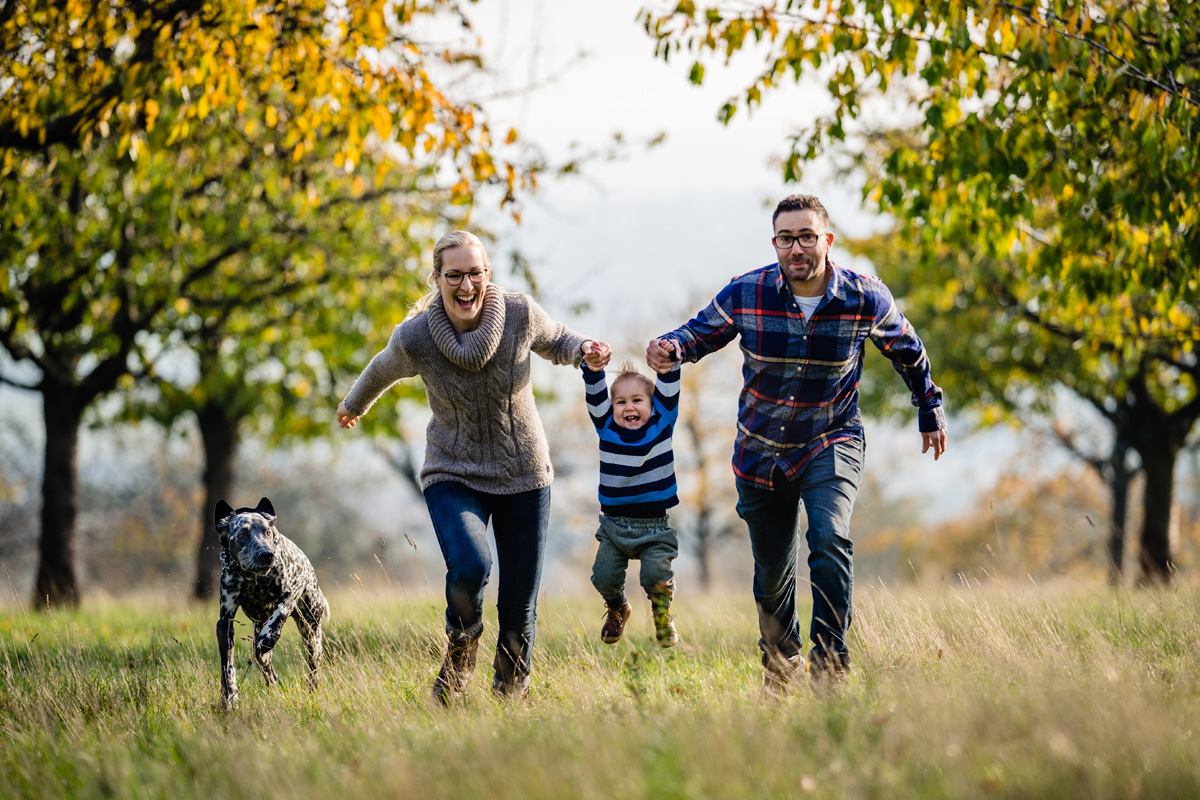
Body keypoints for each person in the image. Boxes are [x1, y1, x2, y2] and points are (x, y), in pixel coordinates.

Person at [645, 194, 947, 695]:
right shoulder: (748, 292)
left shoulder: (864, 297)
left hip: (832, 438)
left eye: (807, 237)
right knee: (772, 576)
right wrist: (669, 347)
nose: (796, 248)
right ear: (775, 244)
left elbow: (908, 351)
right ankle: (781, 669)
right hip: (759, 450)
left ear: (827, 241)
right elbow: (697, 333)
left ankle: (830, 668)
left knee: (829, 539)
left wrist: (928, 407)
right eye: (786, 238)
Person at [337, 230, 611, 703]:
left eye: (476, 274)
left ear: (488, 275)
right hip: (453, 471)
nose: (466, 286)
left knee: (519, 601)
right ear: (438, 278)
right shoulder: (417, 336)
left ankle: (510, 693)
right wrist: (354, 404)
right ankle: (462, 648)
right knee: (470, 564)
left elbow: (558, 339)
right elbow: (383, 366)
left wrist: (584, 349)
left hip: (524, 474)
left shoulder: (519, 313)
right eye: (455, 275)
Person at [581, 346, 682, 648]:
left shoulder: (661, 425)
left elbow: (669, 391)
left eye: (638, 400)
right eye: (620, 402)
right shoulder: (606, 428)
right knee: (603, 576)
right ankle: (617, 607)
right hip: (614, 527)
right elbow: (595, 394)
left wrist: (668, 364)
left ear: (653, 405)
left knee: (656, 576)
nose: (629, 407)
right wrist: (593, 367)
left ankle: (662, 616)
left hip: (655, 527)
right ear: (611, 409)